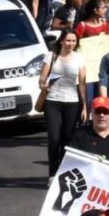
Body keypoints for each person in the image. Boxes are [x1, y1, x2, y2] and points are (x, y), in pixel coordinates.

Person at [38, 29, 88, 179]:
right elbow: (41, 79)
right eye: (68, 40)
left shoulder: (79, 58)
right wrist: (43, 86)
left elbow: (82, 84)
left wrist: (85, 106)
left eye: (73, 41)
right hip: (52, 101)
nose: (71, 44)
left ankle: (63, 172)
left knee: (67, 139)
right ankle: (52, 174)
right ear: (61, 41)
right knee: (54, 139)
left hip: (71, 102)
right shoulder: (51, 56)